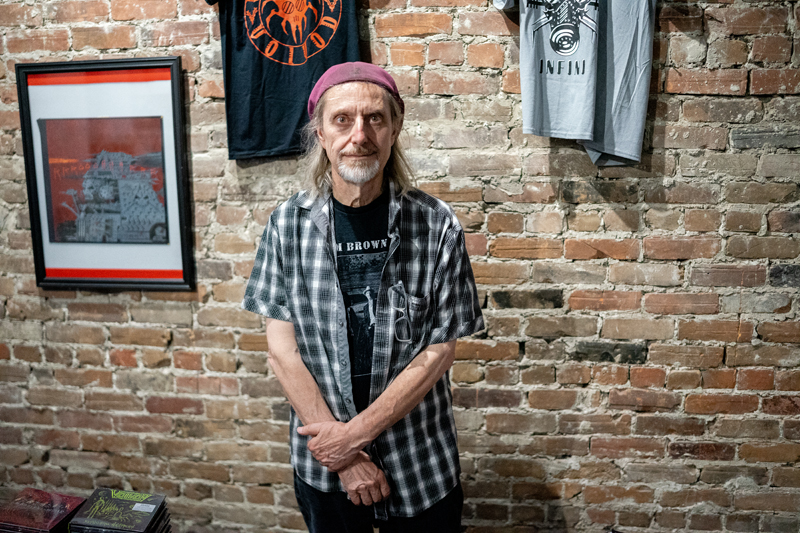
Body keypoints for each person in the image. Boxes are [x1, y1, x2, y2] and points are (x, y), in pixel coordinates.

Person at [242, 61, 484, 532]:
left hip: (419, 462)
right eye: (342, 120)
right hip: (325, 468)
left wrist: (352, 437)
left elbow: (439, 351)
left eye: (375, 118)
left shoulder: (436, 225)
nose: (360, 135)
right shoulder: (287, 225)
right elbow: (281, 352)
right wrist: (345, 457)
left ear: (395, 129)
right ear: (321, 133)